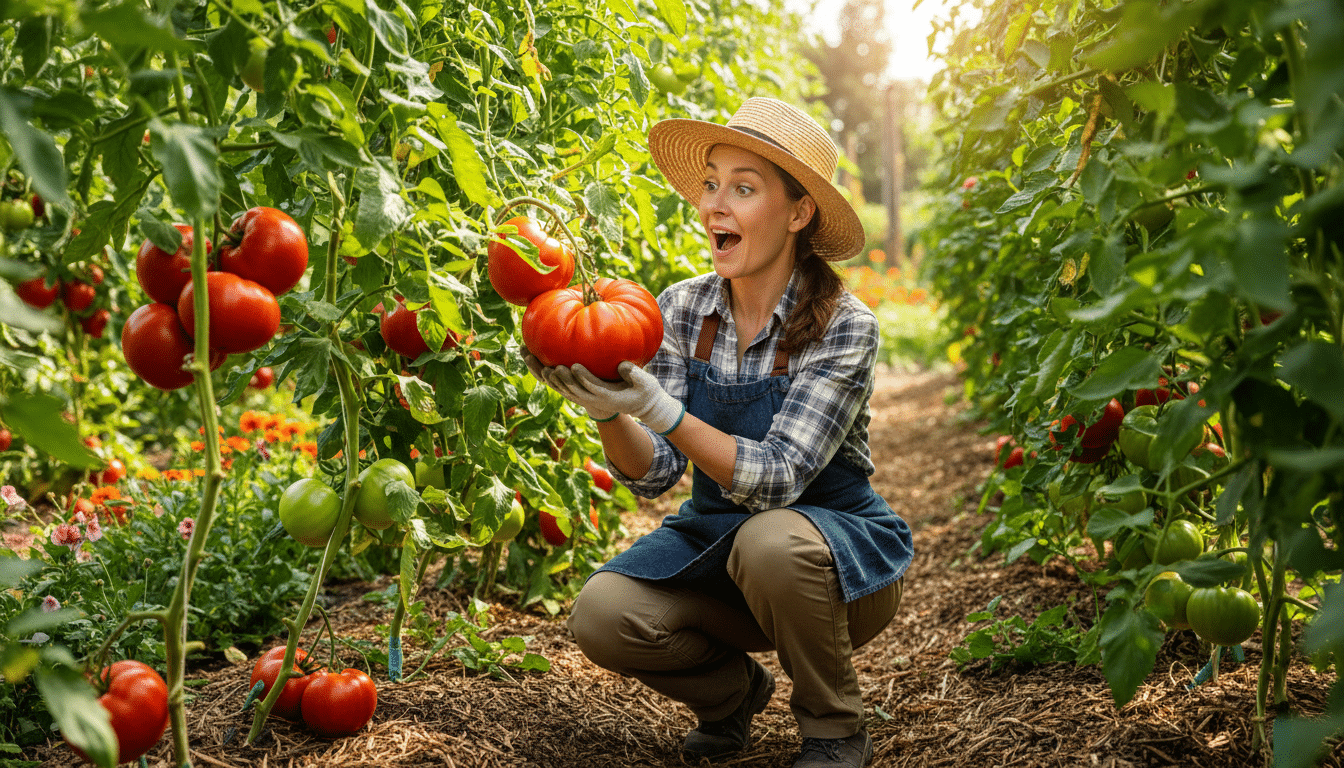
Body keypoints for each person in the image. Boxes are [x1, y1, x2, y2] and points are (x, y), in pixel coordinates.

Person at [524, 97, 914, 768]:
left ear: (798, 213)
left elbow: (779, 478)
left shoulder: (845, 326)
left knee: (770, 541)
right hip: (722, 556)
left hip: (839, 566)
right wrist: (609, 410)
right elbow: (652, 475)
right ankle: (731, 696)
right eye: (711, 184)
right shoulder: (680, 308)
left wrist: (667, 413)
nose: (714, 205)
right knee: (602, 612)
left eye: (743, 188)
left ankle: (834, 727)